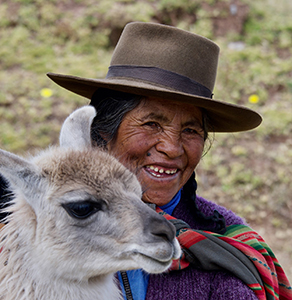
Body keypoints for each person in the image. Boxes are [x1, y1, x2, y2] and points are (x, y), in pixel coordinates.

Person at [1, 22, 291, 299]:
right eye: (151, 124)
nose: (172, 148)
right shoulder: (24, 232)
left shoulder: (228, 259)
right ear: (101, 132)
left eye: (190, 130)